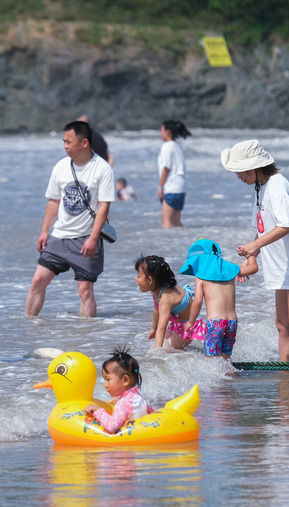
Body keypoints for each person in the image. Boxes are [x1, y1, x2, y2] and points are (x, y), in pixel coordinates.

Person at [221, 139, 289, 361]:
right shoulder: (262, 188)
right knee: (281, 324)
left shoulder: (278, 186)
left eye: (240, 171)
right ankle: (286, 373)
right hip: (283, 263)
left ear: (255, 167)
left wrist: (255, 245)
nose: (238, 176)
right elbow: (262, 227)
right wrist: (251, 256)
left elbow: (287, 224)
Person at [25, 120, 115, 317]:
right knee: (38, 281)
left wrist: (93, 238)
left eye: (69, 142)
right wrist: (44, 231)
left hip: (86, 237)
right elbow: (53, 201)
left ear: (84, 143)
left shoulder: (102, 169)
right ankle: (29, 326)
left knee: (85, 290)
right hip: (59, 237)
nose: (65, 146)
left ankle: (87, 335)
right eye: (63, 141)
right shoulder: (60, 167)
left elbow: (104, 207)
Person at [179, 238, 258, 359]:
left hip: (215, 323)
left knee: (211, 360)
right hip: (232, 322)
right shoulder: (230, 269)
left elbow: (198, 301)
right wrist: (250, 255)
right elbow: (253, 268)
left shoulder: (201, 277)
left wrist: (190, 322)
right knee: (226, 358)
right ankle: (230, 375)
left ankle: (217, 378)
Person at [135, 255, 203, 350]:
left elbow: (162, 327)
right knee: (166, 342)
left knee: (169, 348)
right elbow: (156, 309)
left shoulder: (165, 298)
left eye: (138, 276)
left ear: (150, 280)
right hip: (178, 322)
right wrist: (154, 328)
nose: (136, 279)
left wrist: (156, 354)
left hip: (190, 324)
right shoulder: (156, 292)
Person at [84, 347, 152, 434]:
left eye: (108, 379)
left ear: (125, 380)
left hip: (130, 443)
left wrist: (97, 411)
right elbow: (149, 411)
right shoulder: (137, 397)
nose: (105, 385)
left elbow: (112, 426)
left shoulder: (124, 404)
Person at [157, 120, 191, 229]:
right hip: (181, 187)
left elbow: (166, 168)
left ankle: (167, 245)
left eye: (161, 130)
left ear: (167, 131)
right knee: (176, 222)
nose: (160, 133)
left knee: (166, 221)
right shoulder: (177, 146)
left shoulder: (167, 146)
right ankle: (179, 243)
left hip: (171, 187)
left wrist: (160, 187)